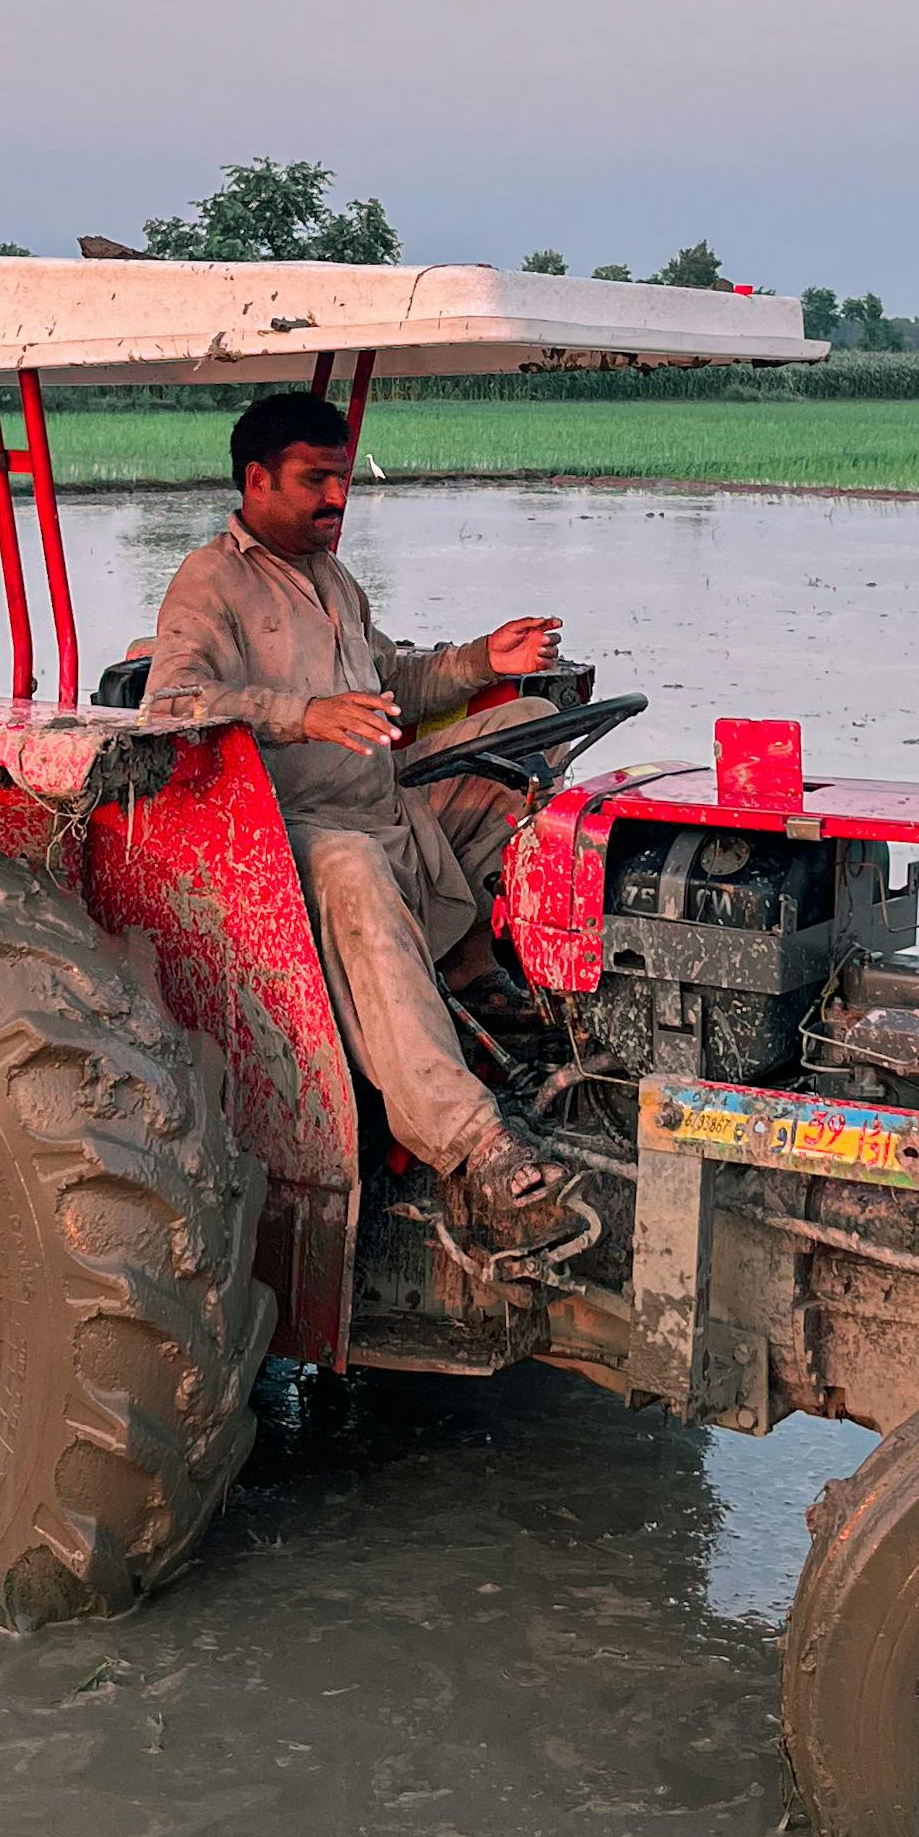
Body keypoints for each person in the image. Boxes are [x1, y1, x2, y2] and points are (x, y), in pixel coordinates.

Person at [140, 390, 578, 1246]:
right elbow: (172, 701)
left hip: (380, 805)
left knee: (524, 731)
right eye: (316, 481)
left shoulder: (332, 578)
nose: (337, 499)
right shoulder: (211, 579)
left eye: (342, 480)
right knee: (352, 864)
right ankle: (469, 1136)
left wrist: (486, 660)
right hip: (283, 832)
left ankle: (492, 972)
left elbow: (393, 686)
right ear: (257, 480)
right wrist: (302, 715)